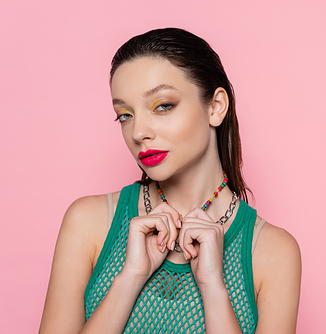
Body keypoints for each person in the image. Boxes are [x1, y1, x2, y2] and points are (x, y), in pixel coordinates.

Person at [39, 28, 301, 334]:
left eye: (163, 106)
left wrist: (213, 287)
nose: (138, 132)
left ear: (215, 107)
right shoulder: (88, 222)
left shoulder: (273, 252)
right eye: (125, 115)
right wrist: (130, 278)